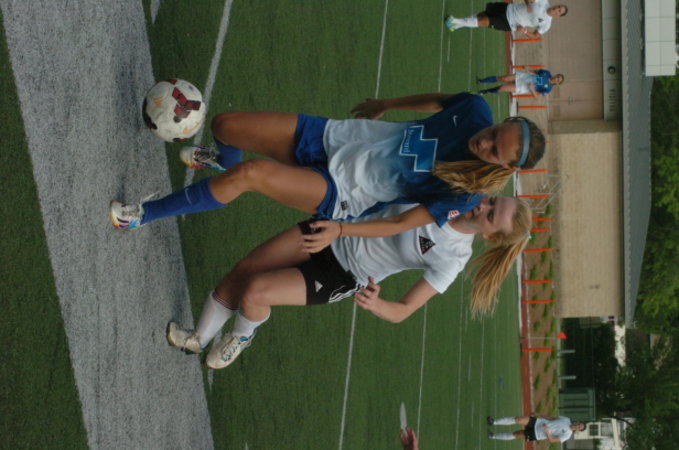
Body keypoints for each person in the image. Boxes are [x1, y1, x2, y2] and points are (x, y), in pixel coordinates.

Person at [110, 93, 545, 251]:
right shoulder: (474, 109)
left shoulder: (465, 195)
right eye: (493, 133)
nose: (483, 143)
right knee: (226, 125)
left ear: (506, 166)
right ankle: (223, 159)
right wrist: (387, 104)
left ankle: (142, 215)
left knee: (251, 176)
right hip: (335, 137)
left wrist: (341, 230)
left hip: (343, 191)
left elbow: (398, 223)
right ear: (502, 120)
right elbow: (440, 101)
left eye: (494, 151)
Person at [165, 195, 532, 369]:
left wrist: (376, 303)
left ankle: (242, 336)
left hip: (343, 274)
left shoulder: (454, 257)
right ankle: (198, 338)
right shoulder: (454, 191)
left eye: (490, 216)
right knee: (245, 268)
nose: (482, 207)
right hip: (331, 230)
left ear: (491, 237)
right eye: (491, 201)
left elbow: (404, 310)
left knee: (255, 293)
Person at [445, 1, 568, 38]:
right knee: (482, 15)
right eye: (558, 7)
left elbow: (536, 35)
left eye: (559, 11)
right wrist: (528, 3)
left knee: (484, 21)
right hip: (507, 8)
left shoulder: (547, 24)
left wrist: (525, 31)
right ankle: (457, 26)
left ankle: (454, 21)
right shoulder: (543, 1)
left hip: (510, 23)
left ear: (558, 16)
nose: (556, 9)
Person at [487, 414, 586, 443]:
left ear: (578, 430)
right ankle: (493, 422)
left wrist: (547, 431)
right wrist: (539, 414)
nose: (577, 426)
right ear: (577, 422)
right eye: (579, 424)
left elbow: (552, 440)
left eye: (579, 427)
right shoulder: (566, 419)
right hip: (538, 422)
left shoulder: (567, 435)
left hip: (537, 434)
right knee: (518, 419)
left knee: (516, 434)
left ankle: (493, 436)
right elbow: (551, 418)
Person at [478, 70, 565, 97]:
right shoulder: (547, 73)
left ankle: (485, 91)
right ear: (556, 75)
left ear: (557, 83)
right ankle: (481, 81)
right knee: (502, 78)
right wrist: (528, 68)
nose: (556, 78)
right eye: (558, 77)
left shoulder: (548, 89)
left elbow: (537, 95)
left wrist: (532, 89)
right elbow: (537, 71)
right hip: (522, 77)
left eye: (558, 80)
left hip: (523, 87)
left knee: (502, 88)